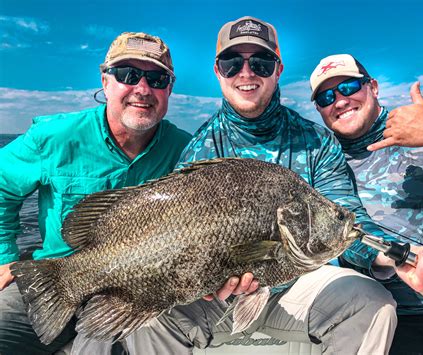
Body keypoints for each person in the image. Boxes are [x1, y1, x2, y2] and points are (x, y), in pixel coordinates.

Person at [125, 16, 398, 355]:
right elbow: (178, 243)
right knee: (144, 316)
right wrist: (206, 279)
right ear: (217, 71)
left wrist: (391, 257)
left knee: (372, 303)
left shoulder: (317, 142)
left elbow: (348, 222)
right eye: (231, 62)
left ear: (278, 70)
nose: (246, 72)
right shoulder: (198, 149)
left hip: (301, 287)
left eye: (261, 62)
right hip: (216, 302)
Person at [0, 32, 191, 355]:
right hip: (55, 279)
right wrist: (4, 257)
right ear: (105, 81)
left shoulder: (186, 150)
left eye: (156, 78)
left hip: (136, 295)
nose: (142, 89)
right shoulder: (53, 136)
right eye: (128, 75)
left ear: (169, 89)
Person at [309, 53, 423, 354]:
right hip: (386, 317)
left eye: (348, 87)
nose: (340, 100)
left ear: (373, 86)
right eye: (326, 96)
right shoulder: (322, 165)